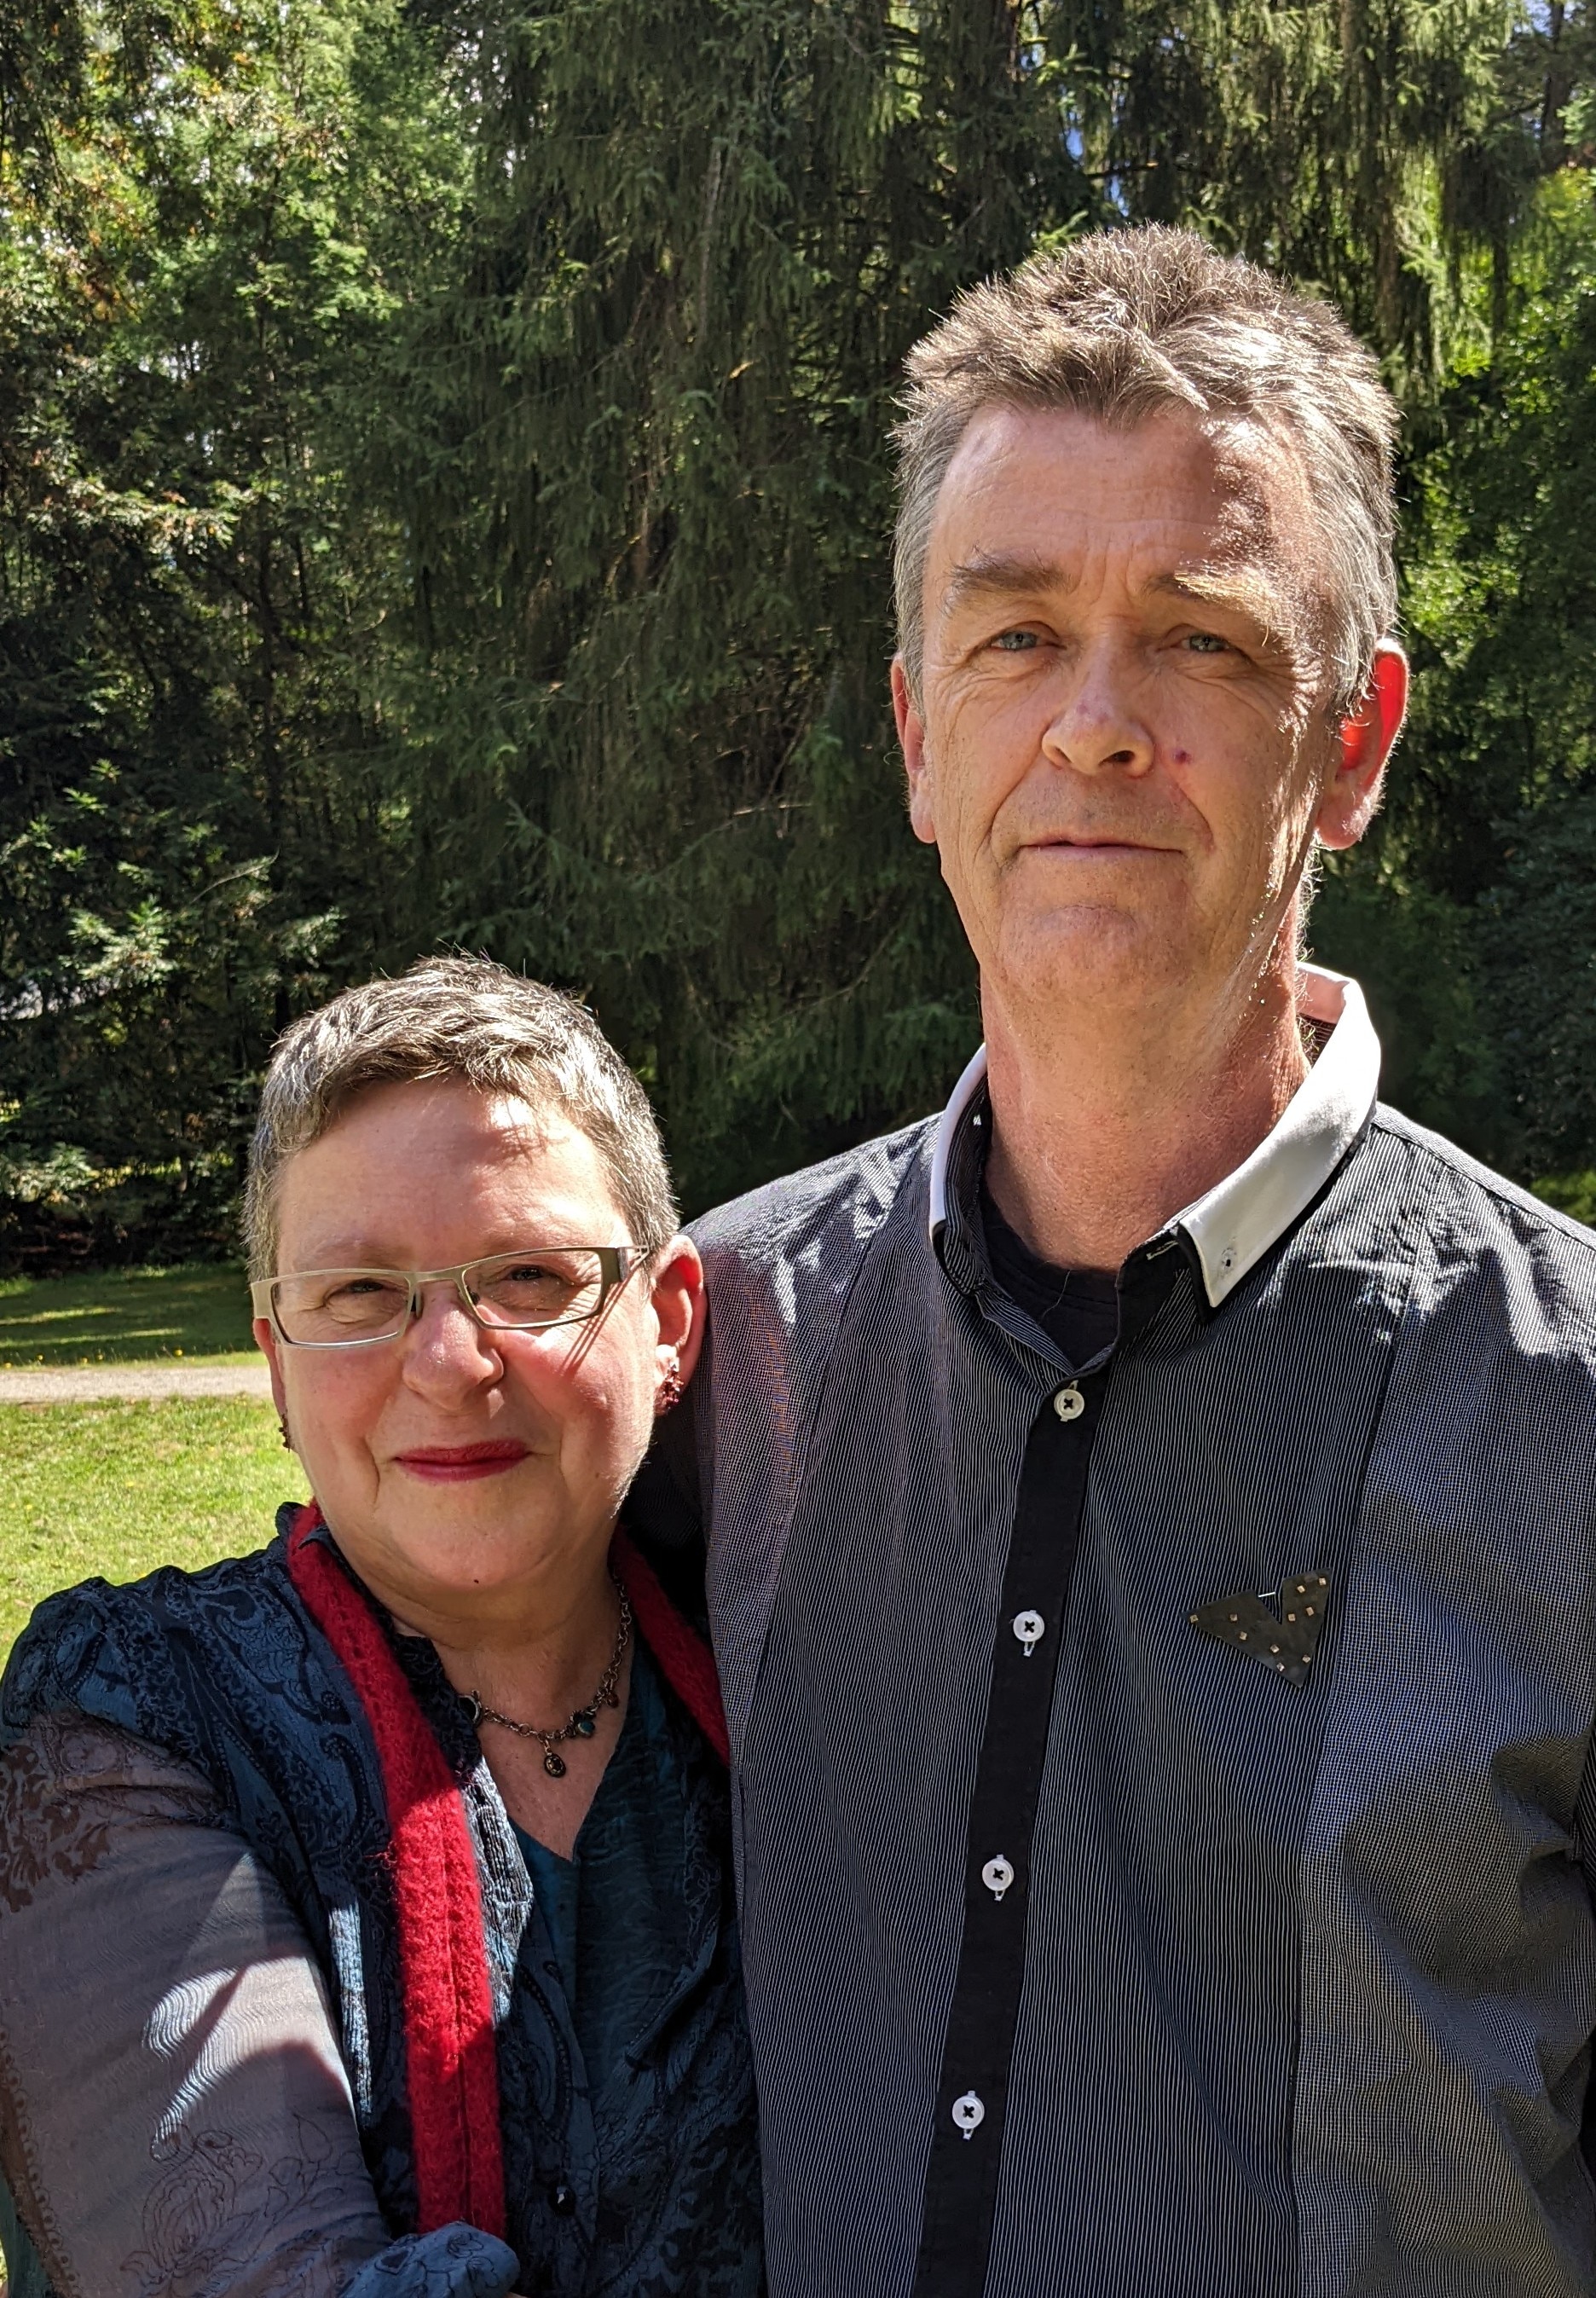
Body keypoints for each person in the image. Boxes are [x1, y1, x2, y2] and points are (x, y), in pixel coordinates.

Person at [635, 226, 1596, 2294]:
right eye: (1013, 638)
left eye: (1203, 638)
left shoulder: (1572, 1409)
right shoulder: (729, 1354)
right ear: (915, 736)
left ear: (1352, 744)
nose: (1093, 724)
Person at [0, 958, 761, 2298]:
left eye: (528, 1276)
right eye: (357, 1293)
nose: (451, 1360)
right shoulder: (128, 1723)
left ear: (669, 1324)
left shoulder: (797, 1669)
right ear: (277, 1367)